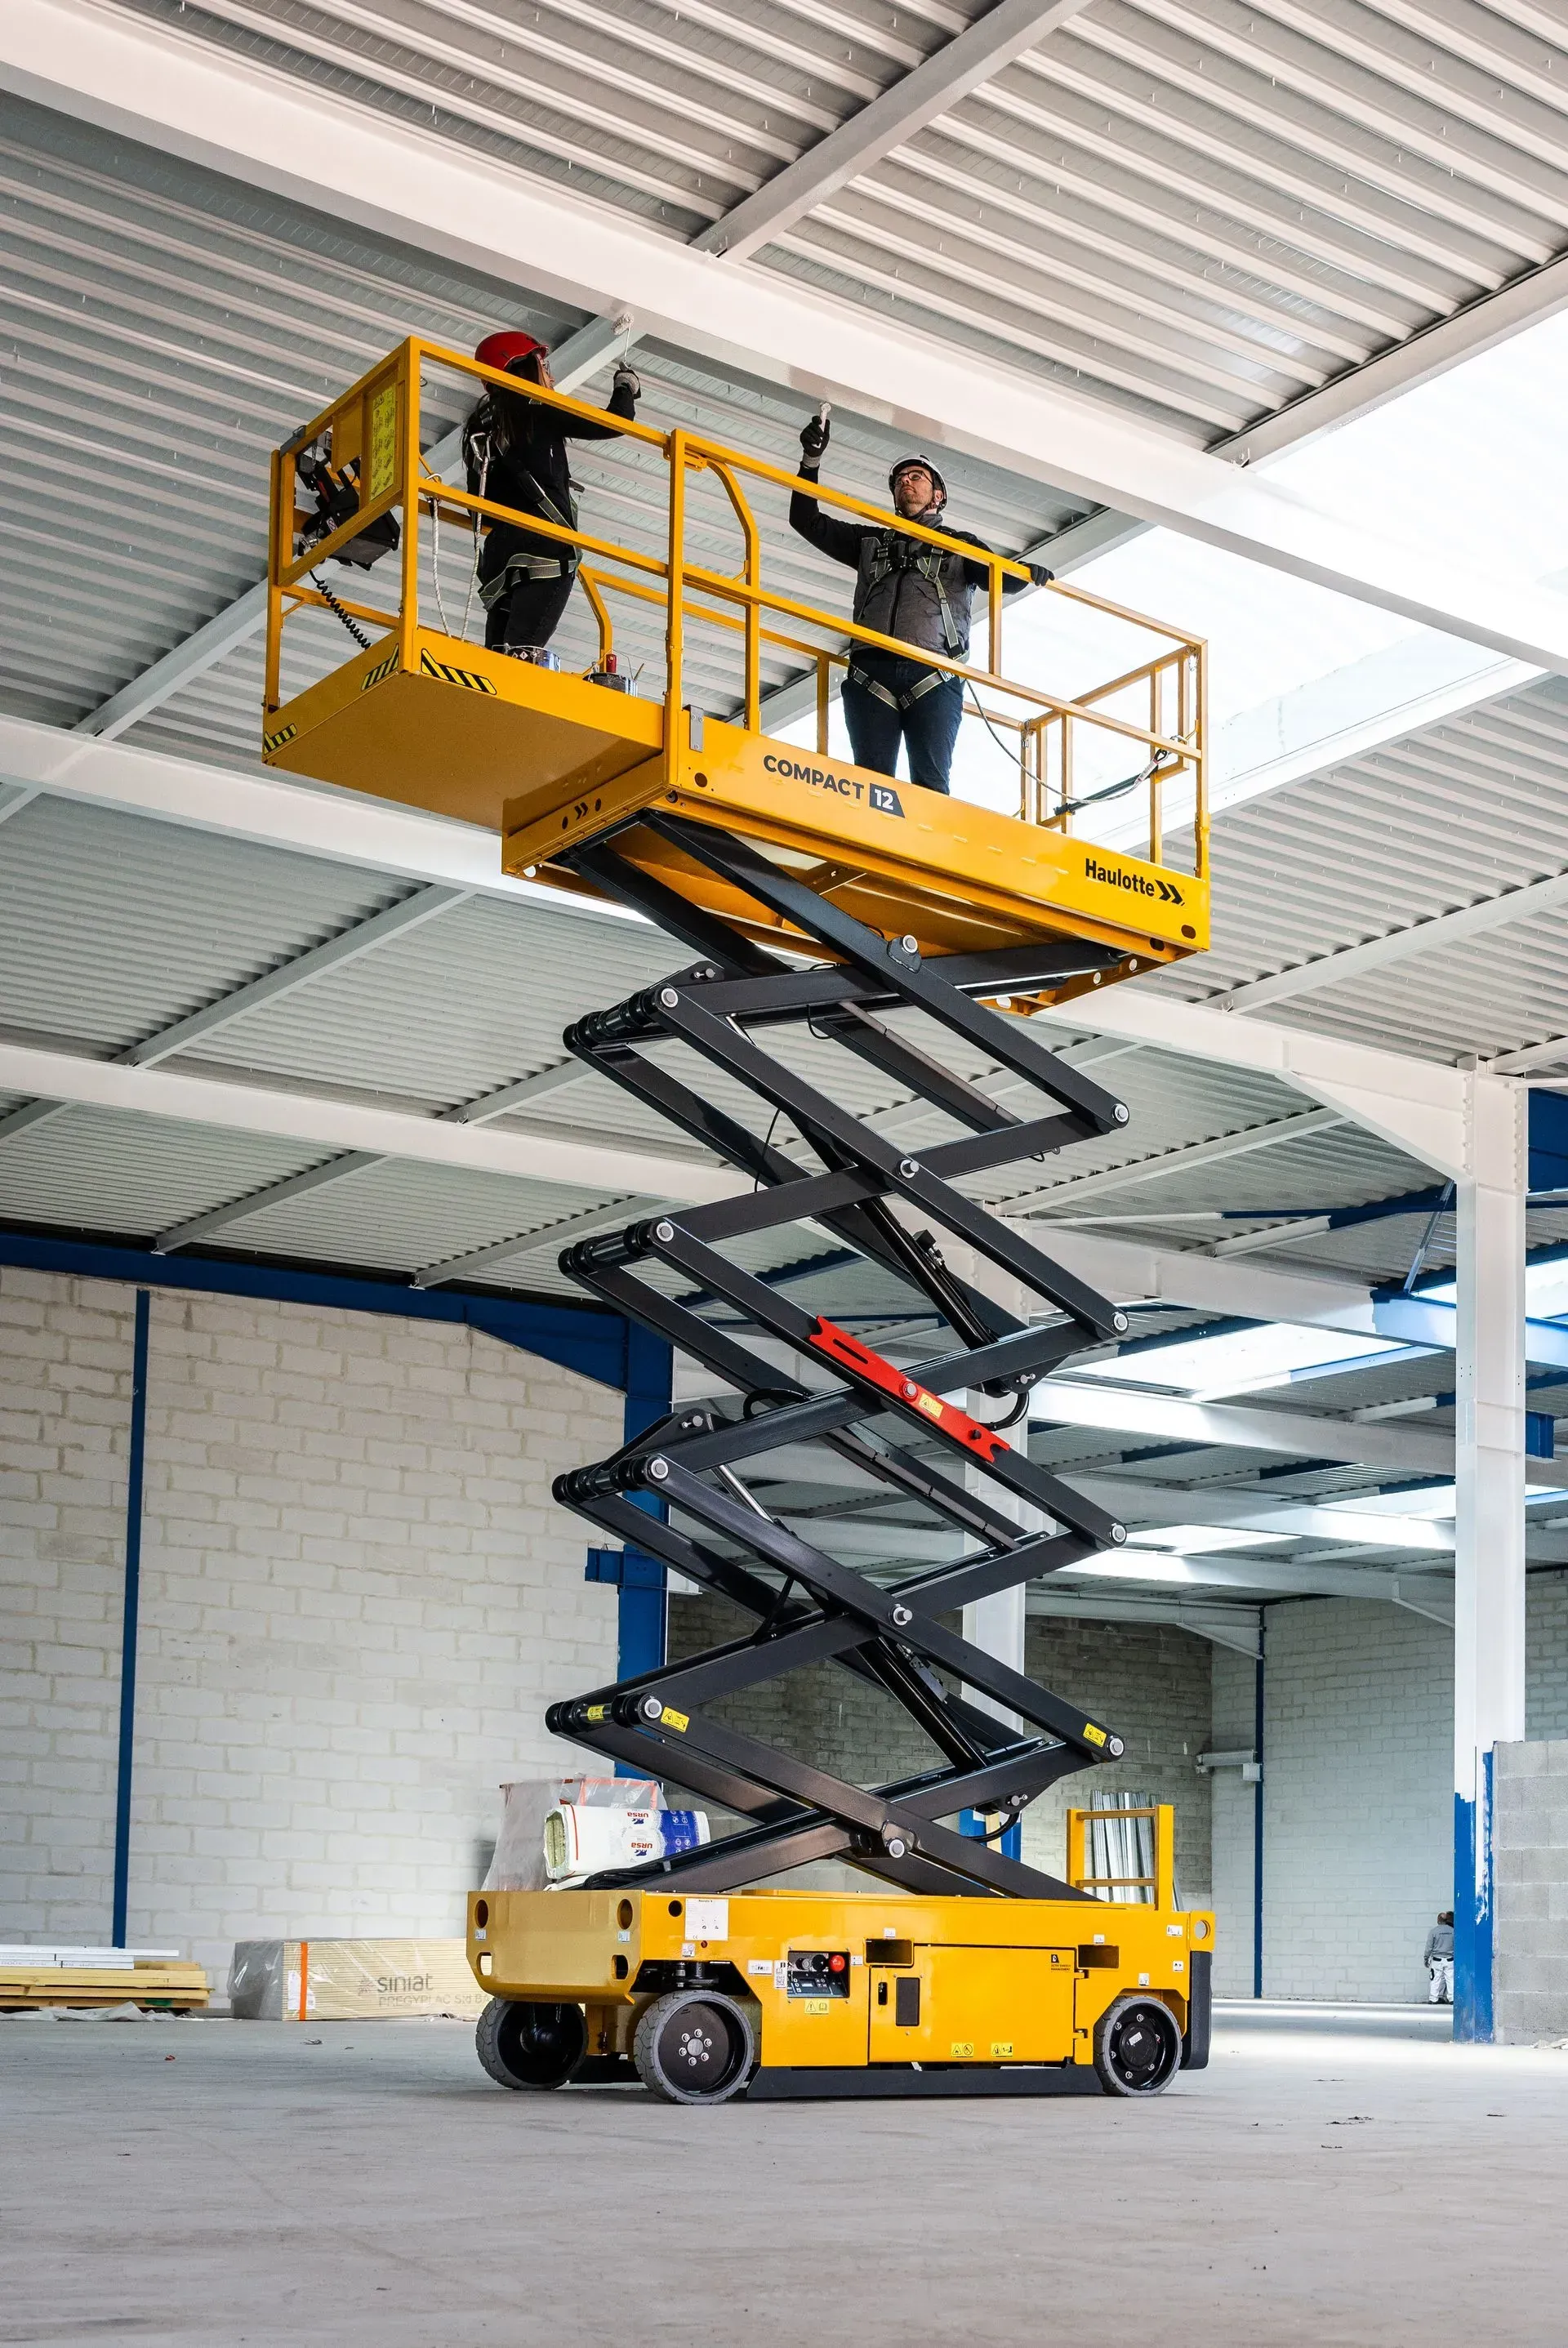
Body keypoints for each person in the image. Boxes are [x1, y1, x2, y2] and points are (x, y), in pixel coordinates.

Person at [787, 411, 1054, 795]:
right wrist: (811, 459)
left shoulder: (959, 546)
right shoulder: (869, 543)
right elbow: (806, 521)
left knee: (931, 789)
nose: (905, 482)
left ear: (938, 495)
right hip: (871, 673)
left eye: (916, 477)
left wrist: (1026, 573)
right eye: (900, 480)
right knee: (870, 789)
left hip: (934, 675)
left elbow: (998, 578)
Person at [464, 332, 641, 659]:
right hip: (545, 547)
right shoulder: (535, 407)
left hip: (500, 556)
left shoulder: (478, 429)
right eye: (544, 367)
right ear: (523, 368)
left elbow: (478, 510)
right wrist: (626, 387)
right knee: (522, 656)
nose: (551, 377)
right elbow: (614, 423)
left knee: (497, 662)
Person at [1423, 1909, 1454, 2004]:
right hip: (1450, 1960)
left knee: (1435, 1979)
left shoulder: (1434, 1931)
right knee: (1450, 1979)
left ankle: (1433, 1999)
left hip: (1437, 1960)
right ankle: (1452, 1998)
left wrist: (1426, 1958)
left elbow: (1429, 1947)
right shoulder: (1453, 1931)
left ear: (1438, 1920)